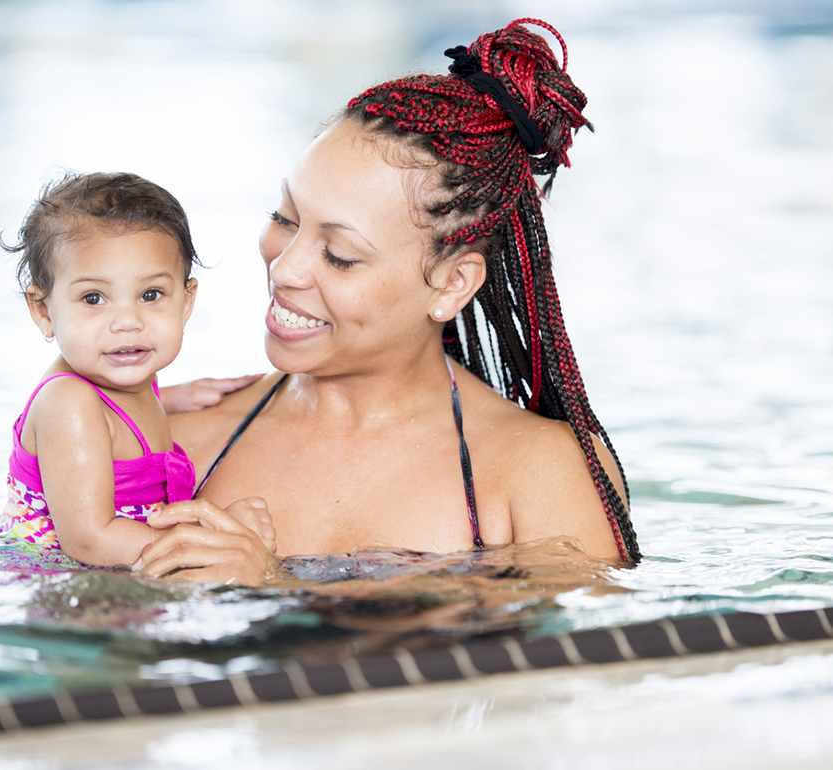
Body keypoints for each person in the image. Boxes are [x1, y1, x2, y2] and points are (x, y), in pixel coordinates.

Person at [134, 19, 640, 586]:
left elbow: (572, 666)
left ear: (452, 283)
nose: (285, 267)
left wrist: (276, 589)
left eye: (341, 255)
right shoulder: (175, 438)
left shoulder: (541, 476)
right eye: (286, 218)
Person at [0, 172, 276, 566]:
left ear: (185, 301)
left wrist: (172, 398)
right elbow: (89, 542)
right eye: (93, 298)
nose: (127, 321)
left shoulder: (124, 374)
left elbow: (115, 423)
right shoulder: (70, 404)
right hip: (71, 594)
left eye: (150, 295)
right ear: (43, 311)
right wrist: (215, 538)